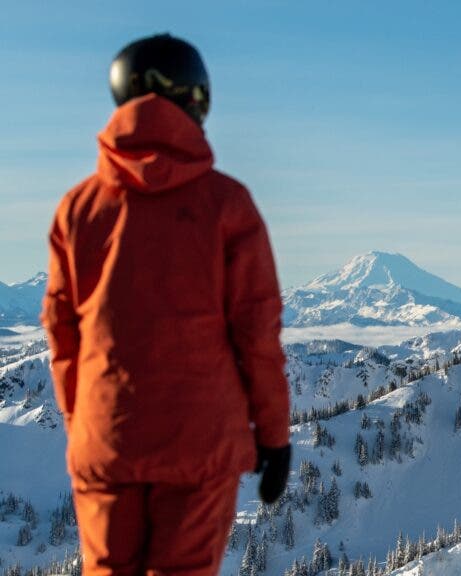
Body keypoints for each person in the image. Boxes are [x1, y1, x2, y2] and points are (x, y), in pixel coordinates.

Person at [41, 34, 291, 575]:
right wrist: (274, 436)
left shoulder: (78, 209)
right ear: (198, 101)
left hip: (108, 437)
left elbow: (63, 334)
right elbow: (257, 335)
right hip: (199, 443)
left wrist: (85, 420)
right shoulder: (227, 205)